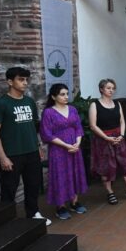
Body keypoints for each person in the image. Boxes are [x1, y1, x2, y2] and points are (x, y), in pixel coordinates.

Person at [0, 67, 51, 225]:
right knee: (9, 188)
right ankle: (7, 219)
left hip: (31, 152)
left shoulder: (29, 102)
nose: (25, 83)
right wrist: (2, 157)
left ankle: (33, 213)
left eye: (26, 80)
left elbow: (31, 127)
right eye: (20, 79)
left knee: (33, 185)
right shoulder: (0, 104)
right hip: (12, 154)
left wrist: (38, 147)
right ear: (10, 81)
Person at [89, 78, 126, 204]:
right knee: (107, 167)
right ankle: (110, 192)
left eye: (113, 88)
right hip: (103, 139)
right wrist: (106, 138)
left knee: (125, 164)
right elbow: (93, 126)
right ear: (101, 89)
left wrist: (122, 135)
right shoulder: (94, 105)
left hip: (118, 137)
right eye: (108, 88)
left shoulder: (117, 104)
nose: (111, 90)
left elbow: (122, 122)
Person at [40, 83, 88, 220]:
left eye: (67, 94)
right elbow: (46, 134)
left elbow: (78, 128)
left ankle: (74, 202)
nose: (66, 96)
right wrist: (66, 145)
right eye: (62, 94)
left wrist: (77, 143)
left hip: (74, 147)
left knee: (75, 172)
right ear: (54, 96)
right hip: (58, 149)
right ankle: (60, 206)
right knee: (60, 174)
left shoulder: (72, 109)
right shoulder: (48, 112)